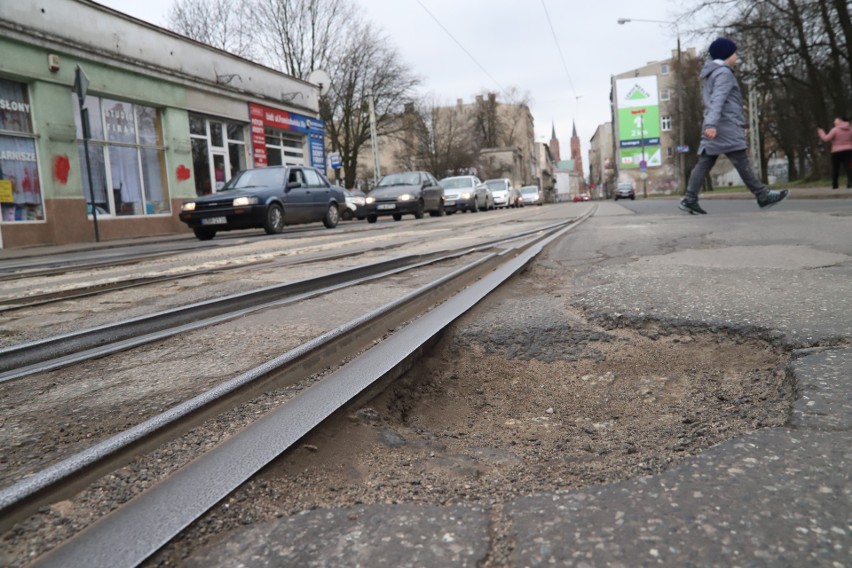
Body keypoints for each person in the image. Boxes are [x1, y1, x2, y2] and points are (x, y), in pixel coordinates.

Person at [680, 38, 788, 215]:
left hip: (713, 124)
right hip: (725, 125)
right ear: (726, 54)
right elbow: (718, 99)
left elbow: (712, 101)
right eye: (734, 53)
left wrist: (710, 123)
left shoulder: (710, 73)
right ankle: (762, 195)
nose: (736, 56)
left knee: (705, 162)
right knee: (740, 160)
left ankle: (690, 199)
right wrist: (713, 124)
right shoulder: (723, 73)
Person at [817, 116, 852, 189]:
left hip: (837, 151)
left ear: (840, 121)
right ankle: (850, 182)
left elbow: (826, 139)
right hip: (849, 150)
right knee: (849, 167)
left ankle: (835, 185)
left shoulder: (835, 130)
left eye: (835, 120)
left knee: (836, 168)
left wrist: (821, 132)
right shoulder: (850, 129)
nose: (834, 121)